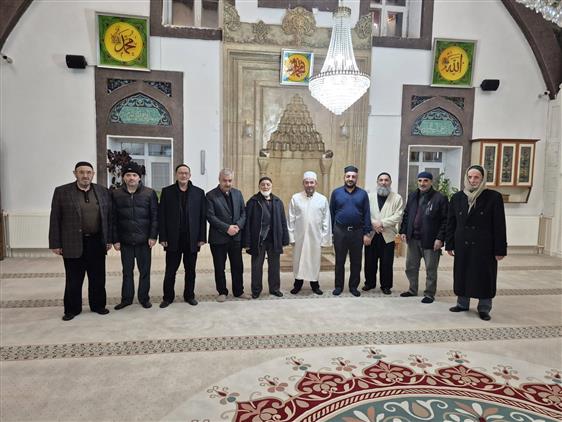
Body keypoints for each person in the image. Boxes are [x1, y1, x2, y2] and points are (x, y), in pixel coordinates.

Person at [49, 161, 112, 321]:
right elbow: (55, 218)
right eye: (81, 172)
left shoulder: (102, 191)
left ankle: (98, 305)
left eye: (88, 172)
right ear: (75, 173)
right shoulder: (62, 192)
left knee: (98, 277)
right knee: (73, 279)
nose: (85, 175)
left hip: (97, 241)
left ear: (93, 174)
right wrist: (55, 243)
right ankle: (72, 309)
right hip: (72, 242)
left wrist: (109, 239)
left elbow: (109, 218)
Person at [446, 165, 507, 321]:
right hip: (463, 244)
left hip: (484, 246)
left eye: (476, 177)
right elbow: (451, 222)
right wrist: (450, 244)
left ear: (483, 179)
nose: (473, 180)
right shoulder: (457, 197)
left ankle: (484, 308)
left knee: (484, 276)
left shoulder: (493, 197)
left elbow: (499, 225)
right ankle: (462, 304)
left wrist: (500, 249)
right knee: (463, 274)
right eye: (470, 177)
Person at [111, 162, 158, 310]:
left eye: (134, 175)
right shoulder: (116, 194)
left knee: (144, 272)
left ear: (139, 177)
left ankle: (144, 298)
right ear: (123, 177)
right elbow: (113, 219)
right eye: (128, 175)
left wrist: (153, 236)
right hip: (125, 241)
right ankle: (126, 299)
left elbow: (155, 217)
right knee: (127, 272)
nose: (131, 177)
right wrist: (115, 239)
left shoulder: (149, 193)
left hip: (144, 241)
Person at [158, 164, 206, 307]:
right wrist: (163, 237)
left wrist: (202, 237)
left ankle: (189, 295)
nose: (183, 175)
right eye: (180, 173)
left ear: (190, 175)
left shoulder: (199, 192)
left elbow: (202, 217)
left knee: (190, 270)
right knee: (170, 270)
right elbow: (162, 216)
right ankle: (167, 297)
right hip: (173, 238)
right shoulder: (167, 192)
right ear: (176, 175)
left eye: (186, 173)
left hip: (192, 238)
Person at [399, 171, 448, 304]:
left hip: (431, 240)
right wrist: (403, 231)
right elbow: (407, 214)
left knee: (431, 269)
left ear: (431, 182)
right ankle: (412, 289)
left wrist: (440, 238)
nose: (422, 183)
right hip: (413, 239)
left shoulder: (440, 198)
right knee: (411, 267)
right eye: (420, 180)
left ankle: (429, 294)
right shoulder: (413, 195)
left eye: (426, 180)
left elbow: (445, 220)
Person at [206, 168, 249, 302]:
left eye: (230, 180)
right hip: (218, 238)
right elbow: (210, 216)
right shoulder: (210, 195)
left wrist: (238, 226)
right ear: (219, 180)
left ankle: (239, 291)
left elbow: (243, 213)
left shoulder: (238, 193)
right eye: (225, 180)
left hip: (236, 237)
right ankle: (222, 292)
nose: (228, 183)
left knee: (237, 266)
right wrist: (227, 228)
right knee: (220, 267)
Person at [243, 176, 289, 299]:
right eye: (263, 184)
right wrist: (247, 242)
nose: (265, 187)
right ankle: (256, 290)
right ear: (259, 186)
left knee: (274, 266)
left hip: (274, 239)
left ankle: (274, 289)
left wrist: (285, 239)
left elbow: (283, 221)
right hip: (258, 240)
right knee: (256, 266)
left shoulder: (278, 202)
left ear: (271, 186)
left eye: (268, 184)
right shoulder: (252, 202)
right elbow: (247, 223)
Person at [329, 165, 371, 297]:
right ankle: (338, 286)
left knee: (356, 262)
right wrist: (331, 233)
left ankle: (353, 286)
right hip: (340, 231)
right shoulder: (336, 193)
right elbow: (331, 213)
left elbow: (367, 214)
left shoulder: (363, 194)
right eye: (348, 176)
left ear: (357, 178)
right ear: (344, 177)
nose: (350, 179)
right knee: (339, 261)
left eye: (353, 176)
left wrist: (367, 233)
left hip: (357, 232)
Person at [288, 171, 332, 295]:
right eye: (306, 182)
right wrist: (291, 237)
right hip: (299, 236)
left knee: (314, 261)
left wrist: (324, 239)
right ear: (303, 183)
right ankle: (297, 284)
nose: (309, 185)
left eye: (311, 182)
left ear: (316, 183)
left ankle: (315, 284)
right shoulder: (295, 198)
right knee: (298, 260)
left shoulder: (322, 199)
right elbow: (290, 219)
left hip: (315, 237)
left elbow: (326, 220)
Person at [362, 172, 404, 295]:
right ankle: (369, 283)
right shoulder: (369, 197)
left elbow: (398, 216)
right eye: (381, 180)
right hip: (371, 234)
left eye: (386, 180)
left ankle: (386, 285)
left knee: (386, 262)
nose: (383, 182)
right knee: (370, 261)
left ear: (390, 182)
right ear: (377, 182)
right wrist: (373, 223)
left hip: (388, 235)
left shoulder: (397, 198)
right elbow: (364, 213)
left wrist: (381, 223)